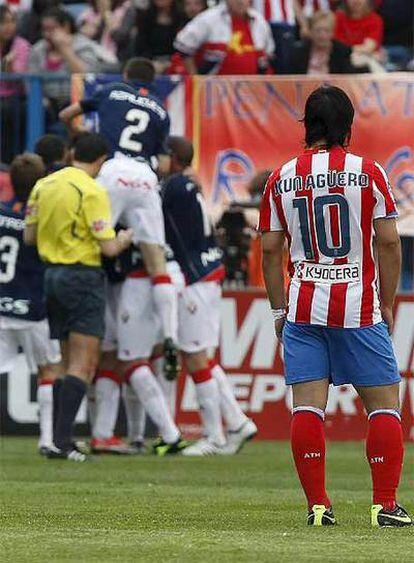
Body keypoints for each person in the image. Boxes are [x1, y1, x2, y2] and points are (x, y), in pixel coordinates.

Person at [259, 85, 412, 528]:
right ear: (348, 126)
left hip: (303, 308)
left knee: (307, 406)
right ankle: (384, 505)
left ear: (306, 125)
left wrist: (276, 311)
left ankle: (318, 506)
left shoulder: (281, 176)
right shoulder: (368, 173)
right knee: (384, 405)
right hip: (358, 307)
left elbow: (270, 250)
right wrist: (386, 302)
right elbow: (388, 242)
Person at [24, 133, 134, 462]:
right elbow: (108, 247)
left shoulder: (43, 185)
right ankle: (61, 441)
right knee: (83, 364)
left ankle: (60, 440)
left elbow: (29, 236)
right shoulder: (92, 190)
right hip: (82, 276)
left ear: (72, 153)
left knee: (64, 361)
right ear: (100, 160)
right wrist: (125, 238)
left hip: (51, 276)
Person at [162, 136, 258, 456]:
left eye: (161, 156)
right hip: (207, 271)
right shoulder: (190, 184)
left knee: (195, 355)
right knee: (201, 354)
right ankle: (237, 422)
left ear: (173, 158)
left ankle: (214, 436)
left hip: (196, 277)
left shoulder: (173, 187)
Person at [0, 153, 61, 455]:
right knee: (48, 370)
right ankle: (47, 440)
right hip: (31, 308)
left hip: (1, 307)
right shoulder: (38, 221)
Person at [28, 7, 117, 128]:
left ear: (66, 27)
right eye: (44, 30)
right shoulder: (38, 49)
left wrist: (65, 50)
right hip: (47, 102)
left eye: (52, 29)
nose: (47, 34)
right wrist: (41, 98)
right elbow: (30, 80)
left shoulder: (83, 46)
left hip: (75, 99)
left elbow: (86, 75)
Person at [174, 0, 275, 75]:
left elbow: (268, 56)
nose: (240, 2)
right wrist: (195, 79)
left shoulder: (260, 21)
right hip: (214, 90)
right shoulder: (209, 18)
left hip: (250, 91)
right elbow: (182, 46)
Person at [0, 5, 31, 164]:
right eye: (3, 22)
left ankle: (7, 162)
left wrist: (10, 67)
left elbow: (19, 79)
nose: (8, 27)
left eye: (11, 21)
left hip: (14, 98)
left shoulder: (21, 45)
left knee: (7, 110)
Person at [287, 10, 354, 74]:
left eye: (326, 30)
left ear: (332, 32)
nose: (322, 35)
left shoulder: (342, 52)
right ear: (311, 32)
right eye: (318, 30)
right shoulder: (298, 52)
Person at [134, 0, 186, 74]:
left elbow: (184, 46)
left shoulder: (182, 17)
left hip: (176, 62)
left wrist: (173, 62)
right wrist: (151, 62)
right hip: (151, 62)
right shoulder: (144, 17)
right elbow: (140, 45)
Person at [334, 0, 383, 69]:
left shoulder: (375, 20)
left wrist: (346, 50)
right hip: (340, 62)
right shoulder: (337, 18)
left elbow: (368, 48)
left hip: (365, 62)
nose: (356, 1)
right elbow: (334, 46)